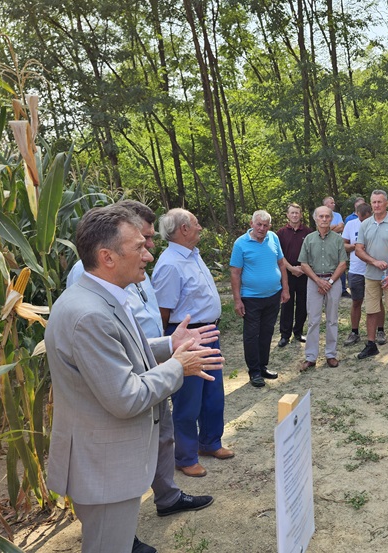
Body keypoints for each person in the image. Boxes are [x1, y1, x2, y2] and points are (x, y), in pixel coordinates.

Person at [46, 205, 223, 553]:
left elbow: (122, 352)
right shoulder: (90, 315)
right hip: (103, 469)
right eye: (139, 247)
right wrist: (178, 365)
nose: (147, 255)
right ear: (107, 257)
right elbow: (126, 397)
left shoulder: (101, 297)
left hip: (107, 462)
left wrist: (168, 344)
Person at [153, 209, 232, 478]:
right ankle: (185, 456)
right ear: (184, 229)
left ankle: (210, 443)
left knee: (213, 395)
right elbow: (162, 313)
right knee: (188, 400)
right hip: (186, 337)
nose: (201, 228)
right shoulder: (170, 264)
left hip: (208, 334)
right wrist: (168, 349)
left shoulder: (192, 255)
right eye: (196, 224)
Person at [230, 210, 290, 388]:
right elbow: (235, 272)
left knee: (267, 333)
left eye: (265, 225)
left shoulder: (273, 238)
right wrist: (237, 300)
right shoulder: (241, 244)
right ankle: (254, 371)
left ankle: (263, 366)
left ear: (269, 226)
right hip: (251, 298)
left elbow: (281, 263)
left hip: (273, 295)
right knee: (251, 335)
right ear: (251, 223)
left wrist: (285, 288)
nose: (262, 228)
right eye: (259, 224)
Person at [355, 189, 388, 361]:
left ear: (386, 203)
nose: (376, 205)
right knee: (371, 311)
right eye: (374, 202)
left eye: (380, 202)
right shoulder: (365, 224)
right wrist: (374, 262)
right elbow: (358, 250)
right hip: (371, 275)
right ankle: (371, 345)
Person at [298, 206, 348, 370]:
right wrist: (318, 281)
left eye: (327, 216)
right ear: (315, 219)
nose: (324, 219)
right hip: (314, 282)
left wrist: (330, 282)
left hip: (333, 281)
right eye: (321, 216)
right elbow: (303, 263)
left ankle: (331, 355)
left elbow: (342, 264)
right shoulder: (309, 239)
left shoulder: (338, 239)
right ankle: (311, 357)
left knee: (332, 320)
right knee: (313, 320)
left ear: (331, 218)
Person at [342, 202, 381, 346]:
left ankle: (380, 330)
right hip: (356, 270)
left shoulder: (376, 224)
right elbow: (343, 245)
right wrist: (357, 246)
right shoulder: (350, 225)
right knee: (356, 301)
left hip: (373, 269)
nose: (364, 222)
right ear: (357, 214)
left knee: (377, 302)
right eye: (361, 219)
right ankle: (354, 332)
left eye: (366, 219)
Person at [276, 203, 313, 347]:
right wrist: (291, 268)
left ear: (301, 214)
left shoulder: (308, 232)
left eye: (297, 213)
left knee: (303, 304)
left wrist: (303, 269)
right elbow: (279, 255)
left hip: (304, 274)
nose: (295, 215)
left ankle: (298, 332)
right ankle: (285, 335)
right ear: (287, 215)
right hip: (287, 274)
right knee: (287, 304)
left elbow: (312, 253)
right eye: (292, 213)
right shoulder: (280, 233)